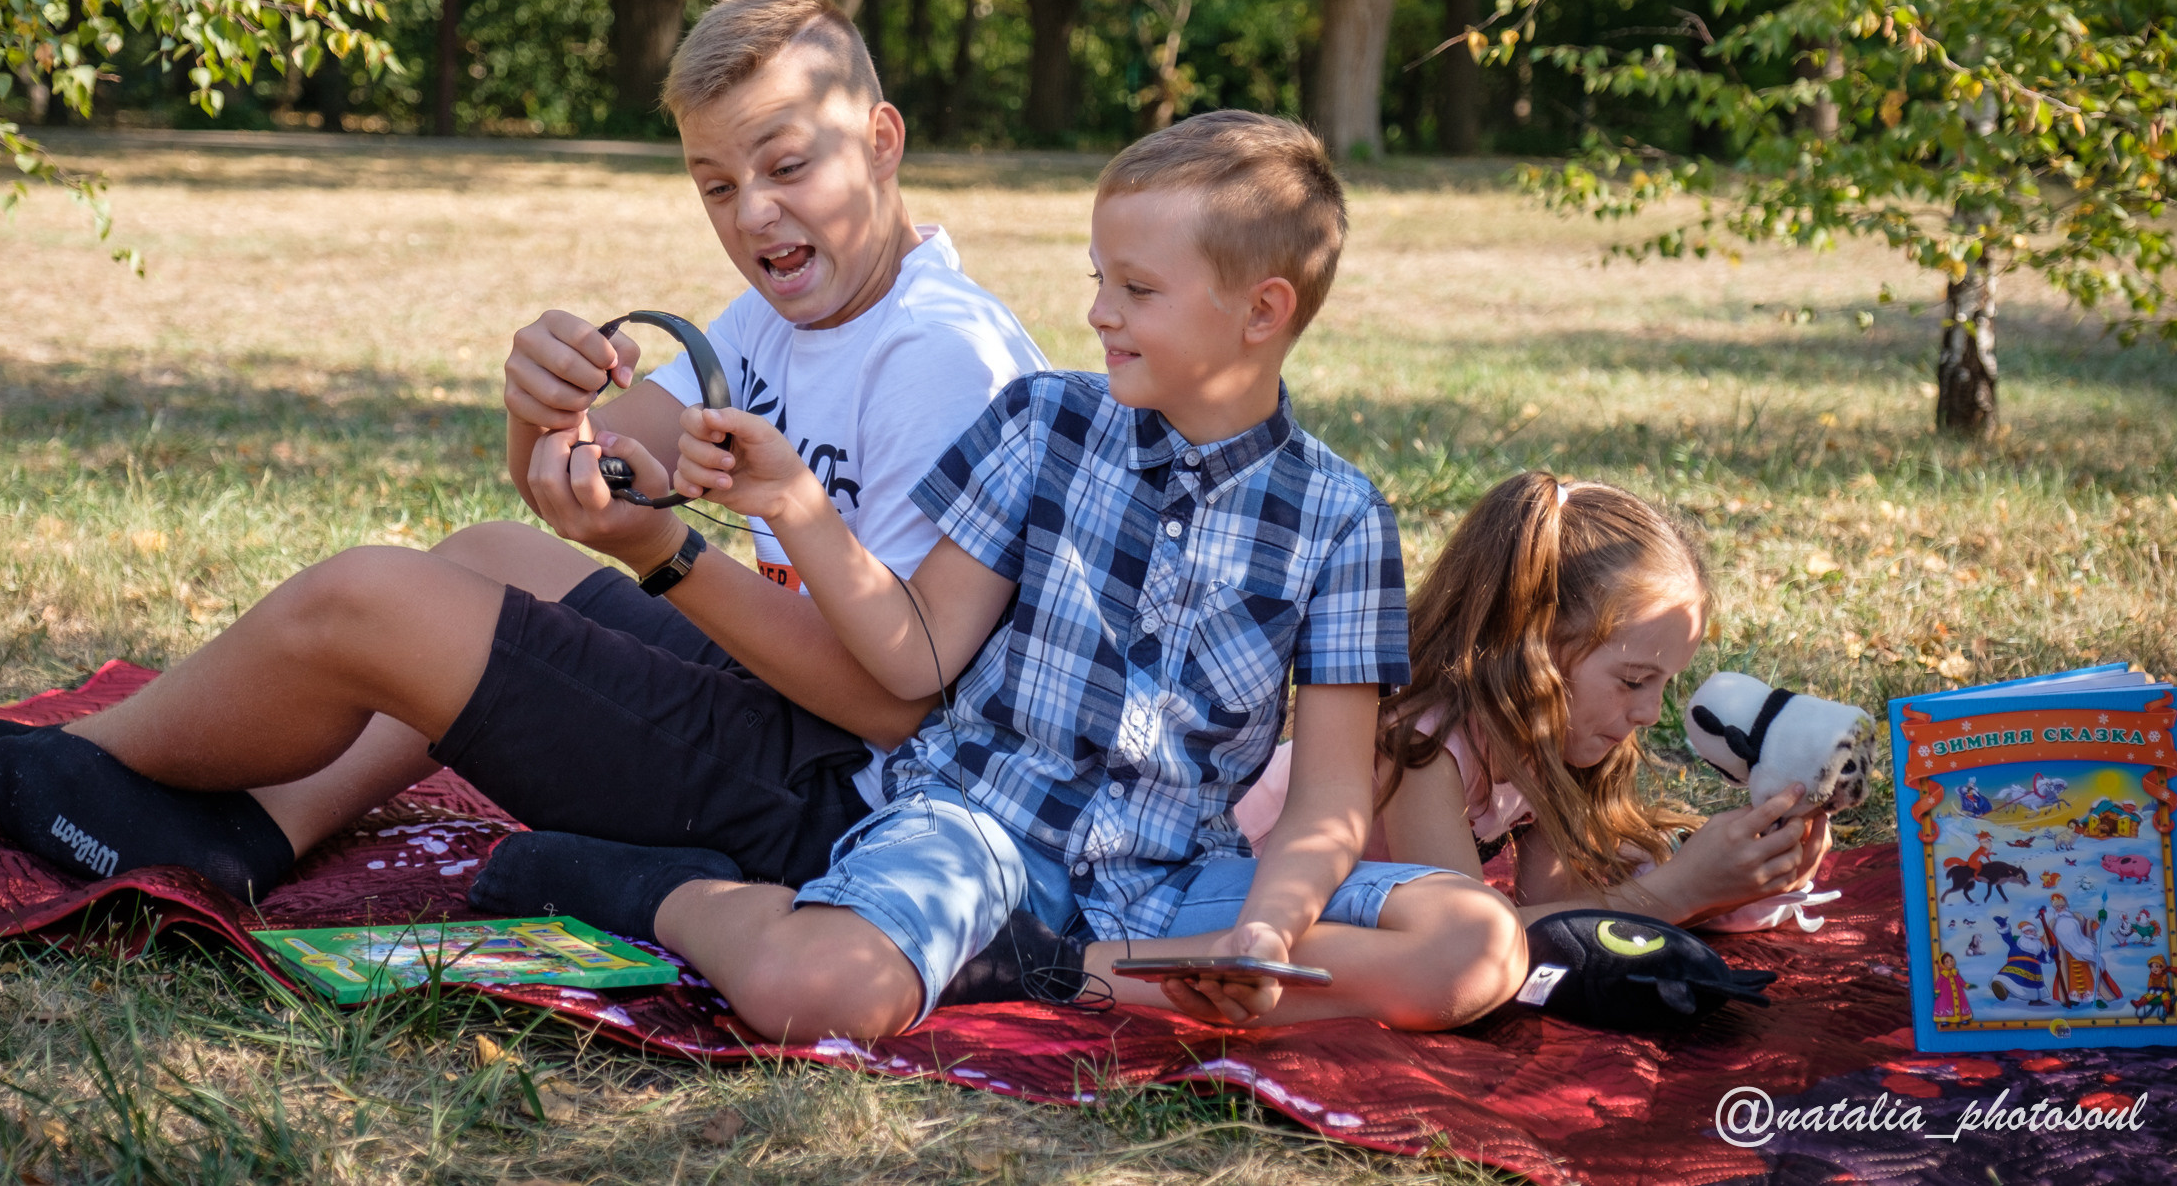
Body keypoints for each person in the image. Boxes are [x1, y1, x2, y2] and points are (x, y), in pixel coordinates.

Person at [0, 0, 1047, 905]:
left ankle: (42, 760)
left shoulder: (938, 358)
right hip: (793, 719)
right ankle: (251, 834)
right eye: (715, 185)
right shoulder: (792, 309)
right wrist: (541, 402)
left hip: (860, 811)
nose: (753, 213)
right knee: (486, 556)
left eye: (785, 166)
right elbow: (584, 474)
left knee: (372, 600)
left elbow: (899, 704)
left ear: (881, 142)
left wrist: (664, 557)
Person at [475, 112, 1528, 1041]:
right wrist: (795, 501)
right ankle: (667, 892)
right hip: (977, 831)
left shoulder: (1342, 520)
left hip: (1171, 881)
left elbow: (1330, 799)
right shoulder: (1041, 424)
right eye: (1098, 280)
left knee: (1478, 942)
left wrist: (1267, 928)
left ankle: (1048, 972)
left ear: (1262, 311)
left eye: (1137, 289)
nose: (1100, 313)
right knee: (814, 989)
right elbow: (914, 654)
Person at [1236, 472, 1834, 931]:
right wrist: (1681, 889)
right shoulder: (1423, 745)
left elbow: (1557, 911)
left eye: (1664, 684)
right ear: (1530, 649)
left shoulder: (1554, 739)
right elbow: (1462, 937)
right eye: (1633, 681)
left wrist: (1732, 885)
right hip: (1244, 889)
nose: (1651, 714)